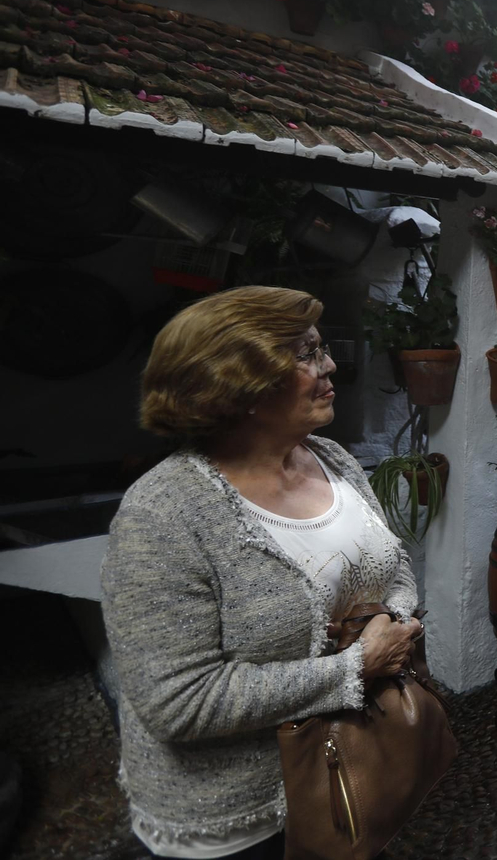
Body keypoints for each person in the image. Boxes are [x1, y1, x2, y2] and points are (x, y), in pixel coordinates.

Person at [101, 286, 423, 860]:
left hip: (349, 771)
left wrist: (392, 622)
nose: (329, 366)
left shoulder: (333, 459)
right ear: (237, 382)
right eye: (305, 354)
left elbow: (390, 559)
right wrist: (356, 665)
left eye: (320, 349)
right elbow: (180, 701)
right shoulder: (164, 512)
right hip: (240, 823)